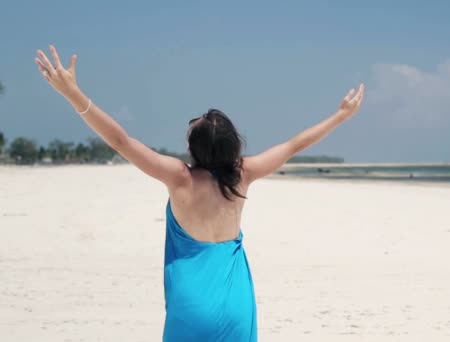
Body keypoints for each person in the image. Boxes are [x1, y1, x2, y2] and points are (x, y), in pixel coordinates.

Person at [35, 45, 364, 341]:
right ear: (233, 146)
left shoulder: (180, 179)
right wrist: (341, 116)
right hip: (237, 305)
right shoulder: (242, 175)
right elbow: (294, 145)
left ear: (192, 147)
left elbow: (121, 141)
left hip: (190, 307)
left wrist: (73, 94)